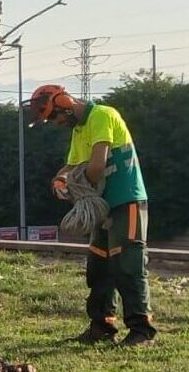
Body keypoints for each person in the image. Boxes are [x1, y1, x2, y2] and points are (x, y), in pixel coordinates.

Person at [30, 84, 155, 346]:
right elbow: (73, 165)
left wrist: (78, 186)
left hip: (126, 200)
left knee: (127, 264)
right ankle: (102, 326)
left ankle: (141, 330)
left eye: (54, 115)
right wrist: (60, 179)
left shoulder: (102, 115)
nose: (55, 122)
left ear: (64, 101)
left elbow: (96, 165)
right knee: (99, 267)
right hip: (102, 205)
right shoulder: (78, 130)